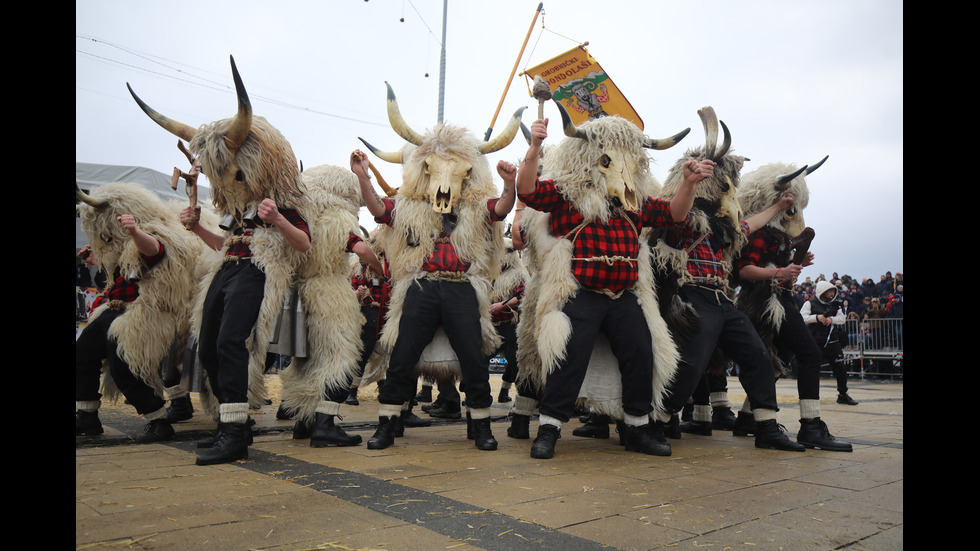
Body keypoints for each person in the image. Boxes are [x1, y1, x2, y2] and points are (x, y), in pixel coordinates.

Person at [515, 109, 690, 459]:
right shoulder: (568, 193)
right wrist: (534, 147)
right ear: (593, 159)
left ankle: (638, 428)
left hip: (624, 295)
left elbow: (675, 214)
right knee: (568, 357)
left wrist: (690, 182)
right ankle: (549, 428)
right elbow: (528, 190)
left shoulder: (636, 203)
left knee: (641, 353)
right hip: (580, 292)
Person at [647, 115, 807, 453]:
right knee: (691, 365)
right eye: (724, 185)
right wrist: (690, 183)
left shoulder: (725, 227)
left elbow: (747, 225)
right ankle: (656, 423)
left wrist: (777, 206)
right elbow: (674, 217)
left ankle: (766, 426)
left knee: (757, 357)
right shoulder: (684, 218)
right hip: (692, 297)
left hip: (721, 300)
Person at [76, 183, 202, 444]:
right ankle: (87, 416)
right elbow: (125, 267)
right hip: (111, 310)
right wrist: (95, 261)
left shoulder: (156, 232)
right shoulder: (116, 247)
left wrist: (134, 230)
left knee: (126, 366)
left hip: (141, 315)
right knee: (81, 354)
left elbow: (154, 250)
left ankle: (158, 420)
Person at [801, 281, 857, 406]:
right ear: (822, 291)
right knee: (812, 371)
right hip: (815, 343)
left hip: (833, 342)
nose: (832, 293)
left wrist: (831, 319)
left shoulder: (835, 305)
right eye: (830, 291)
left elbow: (842, 319)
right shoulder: (809, 303)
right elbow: (802, 318)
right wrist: (817, 317)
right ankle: (810, 397)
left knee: (841, 370)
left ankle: (843, 394)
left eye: (833, 291)